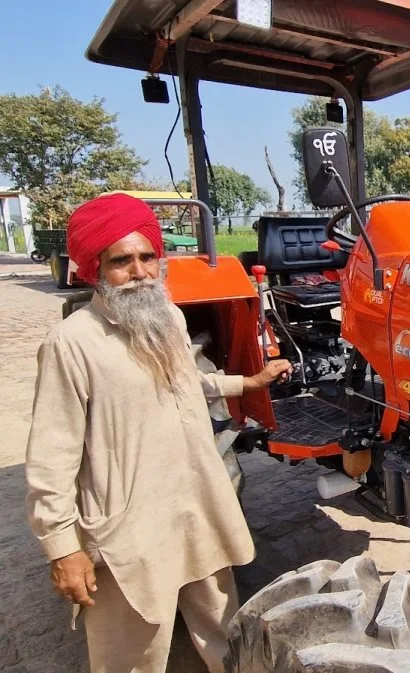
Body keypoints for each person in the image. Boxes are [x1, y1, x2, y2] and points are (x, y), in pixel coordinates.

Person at [25, 193, 292, 673]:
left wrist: (246, 382)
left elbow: (184, 384)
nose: (140, 272)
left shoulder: (167, 316)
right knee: (132, 655)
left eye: (147, 256)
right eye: (121, 261)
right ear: (95, 269)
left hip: (196, 506)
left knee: (224, 633)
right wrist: (63, 548)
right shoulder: (72, 344)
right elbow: (50, 458)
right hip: (130, 528)